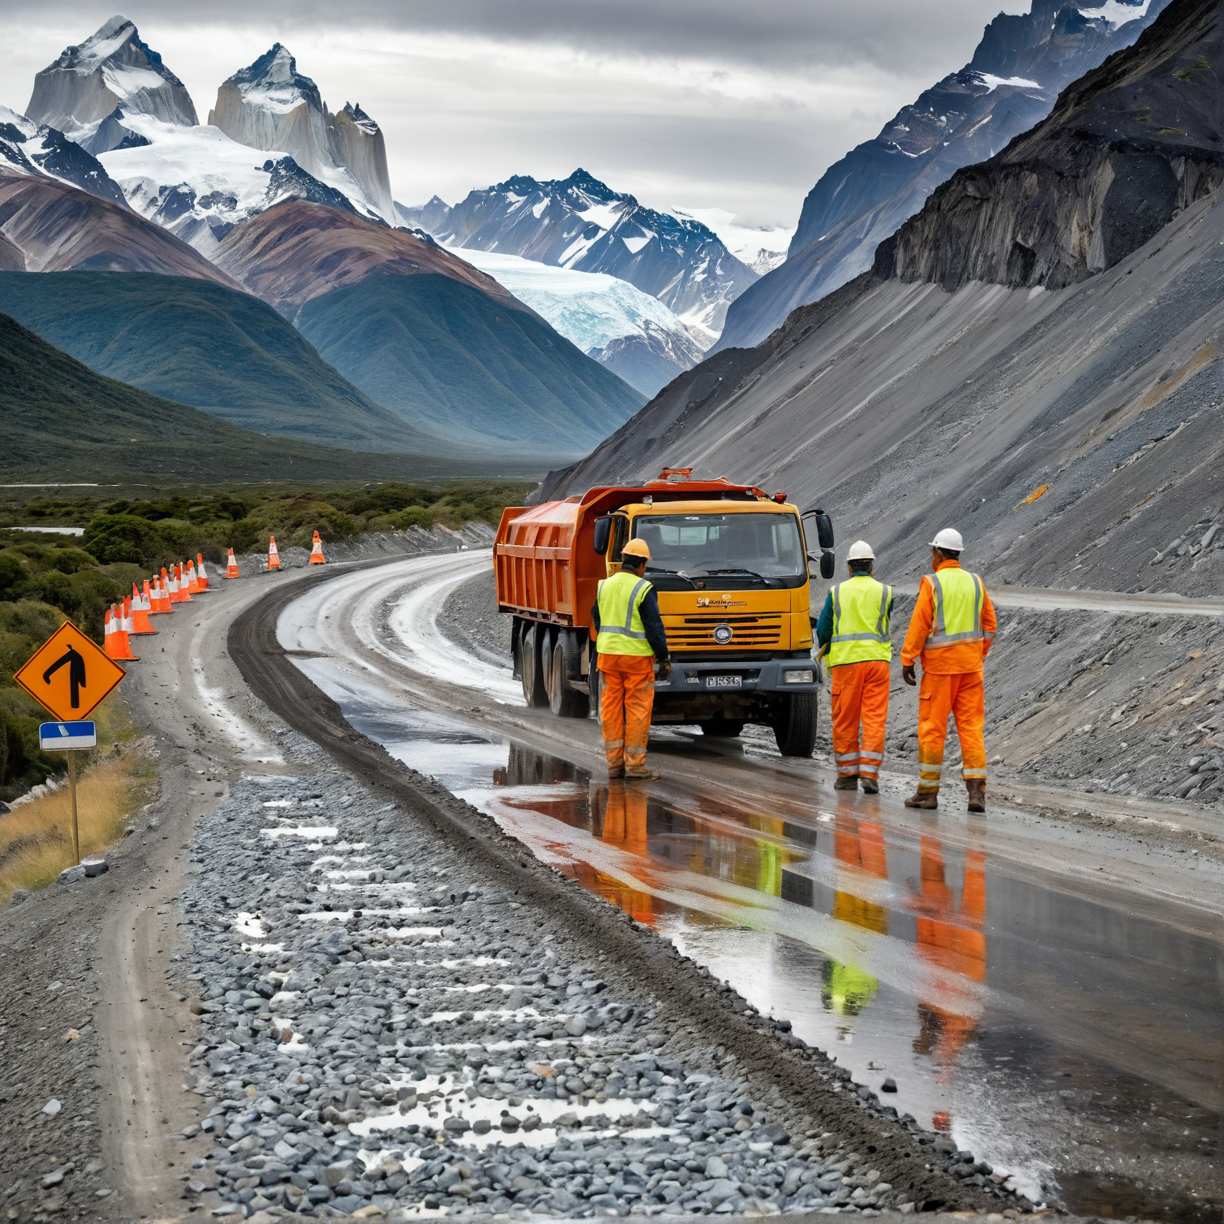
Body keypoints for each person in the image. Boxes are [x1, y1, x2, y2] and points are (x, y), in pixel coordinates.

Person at [900, 528, 996, 812]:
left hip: (941, 671)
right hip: (970, 669)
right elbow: (989, 625)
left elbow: (919, 625)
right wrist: (978, 653)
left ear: (938, 554)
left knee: (932, 729)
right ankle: (976, 793)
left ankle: (927, 793)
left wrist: (908, 659)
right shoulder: (975, 582)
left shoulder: (932, 583)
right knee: (971, 730)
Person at [814, 540, 893, 793]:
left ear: (849, 567)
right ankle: (870, 774)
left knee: (845, 720)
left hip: (847, 665)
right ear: (871, 566)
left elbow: (824, 627)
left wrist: (825, 646)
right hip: (878, 663)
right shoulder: (884, 592)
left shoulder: (837, 592)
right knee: (874, 719)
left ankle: (847, 776)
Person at [591, 538, 671, 780]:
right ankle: (635, 766)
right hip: (636, 660)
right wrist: (664, 657)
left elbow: (597, 619)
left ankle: (614, 765)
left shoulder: (604, 586)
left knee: (611, 710)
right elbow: (654, 627)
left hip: (607, 657)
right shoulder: (643, 588)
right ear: (642, 564)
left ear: (622, 560)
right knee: (637, 710)